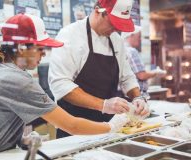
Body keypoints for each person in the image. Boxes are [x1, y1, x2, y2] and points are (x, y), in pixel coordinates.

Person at [0, 13, 130, 159]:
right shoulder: (16, 79)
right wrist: (112, 126)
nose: (44, 53)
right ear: (21, 48)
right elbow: (71, 125)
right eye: (40, 48)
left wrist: (19, 139)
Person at [48, 0, 150, 138]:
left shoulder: (116, 40)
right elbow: (61, 85)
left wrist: (138, 97)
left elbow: (127, 77)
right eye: (113, 23)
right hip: (75, 127)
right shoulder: (70, 35)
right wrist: (104, 104)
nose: (116, 29)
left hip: (110, 126)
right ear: (98, 11)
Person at [122, 25, 166, 98]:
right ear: (131, 35)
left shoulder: (123, 50)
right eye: (138, 36)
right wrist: (156, 72)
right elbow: (141, 75)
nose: (140, 39)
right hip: (137, 96)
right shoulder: (131, 51)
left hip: (128, 95)